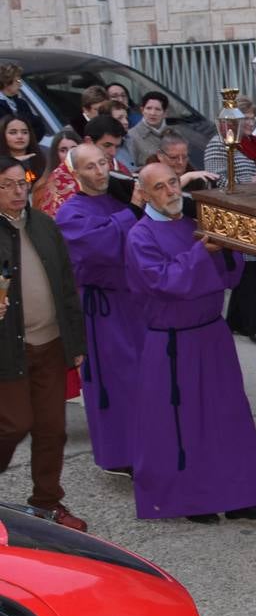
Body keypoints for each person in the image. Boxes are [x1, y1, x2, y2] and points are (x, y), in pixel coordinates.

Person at [124, 163, 256, 523]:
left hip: (212, 333)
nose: (171, 192)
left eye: (173, 183)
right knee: (185, 424)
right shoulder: (140, 236)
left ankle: (240, 495)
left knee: (229, 416)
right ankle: (194, 501)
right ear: (144, 195)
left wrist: (226, 246)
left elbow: (231, 276)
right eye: (159, 188)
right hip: (175, 343)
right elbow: (164, 282)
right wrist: (202, 253)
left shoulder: (194, 223)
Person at [0, 157, 87, 531]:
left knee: (53, 429)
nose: (18, 191)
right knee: (13, 425)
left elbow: (67, 286)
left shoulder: (45, 227)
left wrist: (76, 342)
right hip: (9, 350)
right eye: (7, 185)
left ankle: (48, 504)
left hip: (50, 344)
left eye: (22, 183)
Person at [54, 144, 147, 475]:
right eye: (90, 167)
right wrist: (132, 211)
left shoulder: (119, 198)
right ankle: (120, 455)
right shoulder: (70, 213)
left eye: (103, 163)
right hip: (103, 309)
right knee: (116, 382)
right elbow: (98, 247)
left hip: (136, 303)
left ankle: (150, 447)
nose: (100, 171)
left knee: (145, 378)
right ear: (76, 174)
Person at [204, 96, 256, 344]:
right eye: (246, 117)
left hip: (254, 212)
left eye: (253, 117)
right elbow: (215, 179)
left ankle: (234, 320)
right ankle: (255, 326)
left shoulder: (251, 144)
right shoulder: (218, 144)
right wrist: (247, 187)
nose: (251, 121)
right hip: (235, 215)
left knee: (249, 268)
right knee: (246, 269)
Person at [32, 128, 81, 217]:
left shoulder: (93, 178)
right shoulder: (43, 187)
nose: (69, 154)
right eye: (63, 150)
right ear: (56, 154)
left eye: (74, 148)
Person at [154, 131, 219, 192]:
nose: (180, 162)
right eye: (174, 158)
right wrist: (187, 177)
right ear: (160, 155)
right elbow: (160, 194)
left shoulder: (195, 178)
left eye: (184, 157)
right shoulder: (149, 173)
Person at [126, 91, 173, 167]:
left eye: (157, 109)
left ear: (165, 113)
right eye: (148, 108)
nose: (152, 113)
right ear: (142, 110)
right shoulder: (131, 136)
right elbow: (131, 168)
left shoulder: (174, 133)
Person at [0, 114, 44, 182]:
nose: (20, 136)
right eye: (13, 132)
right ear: (2, 135)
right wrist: (12, 162)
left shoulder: (43, 158)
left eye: (24, 132)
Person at [0, 63, 41, 132]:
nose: (20, 85)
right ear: (6, 83)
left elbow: (39, 125)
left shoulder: (21, 103)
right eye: (17, 81)